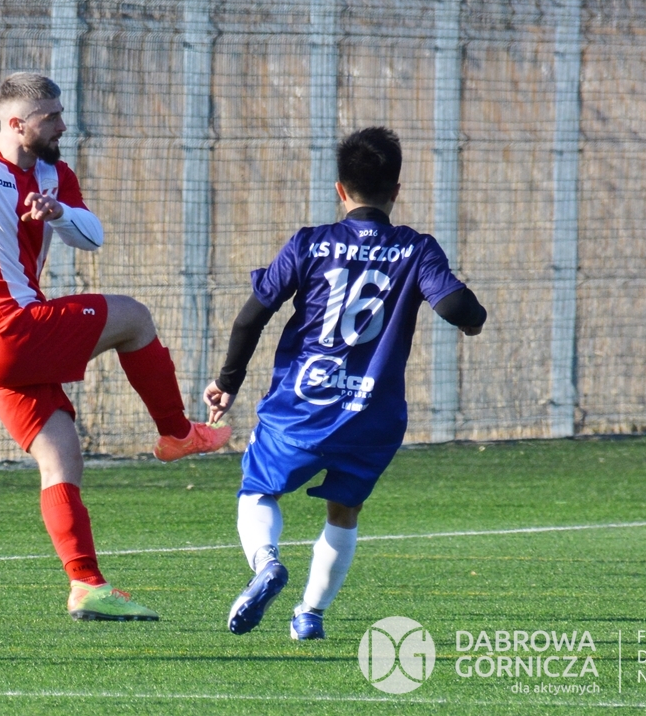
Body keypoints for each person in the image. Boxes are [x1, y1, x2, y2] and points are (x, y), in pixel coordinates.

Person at [0, 69, 232, 622]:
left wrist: (59, 214)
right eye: (50, 117)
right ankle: (177, 434)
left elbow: (91, 237)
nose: (62, 125)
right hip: (7, 332)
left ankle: (87, 586)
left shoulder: (54, 175)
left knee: (62, 459)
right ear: (16, 123)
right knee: (134, 317)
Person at [203, 127, 487, 639]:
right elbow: (457, 306)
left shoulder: (309, 243)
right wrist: (472, 322)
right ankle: (309, 615)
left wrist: (228, 381)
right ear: (396, 190)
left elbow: (250, 319)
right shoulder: (416, 249)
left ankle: (267, 563)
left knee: (258, 491)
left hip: (303, 405)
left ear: (340, 189)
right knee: (345, 510)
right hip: (371, 415)